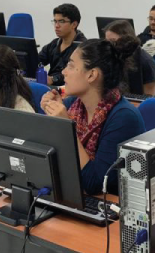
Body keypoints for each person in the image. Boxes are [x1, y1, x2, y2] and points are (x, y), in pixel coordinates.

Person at [40, 39, 146, 195]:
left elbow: (95, 184)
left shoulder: (124, 118)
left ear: (91, 75)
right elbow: (48, 159)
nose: (63, 72)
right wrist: (50, 116)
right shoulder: (72, 105)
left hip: (108, 202)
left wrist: (66, 128)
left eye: (71, 66)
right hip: (72, 192)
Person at [105, 19, 155, 97]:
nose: (109, 46)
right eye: (107, 42)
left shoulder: (146, 61)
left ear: (126, 40)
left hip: (143, 102)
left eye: (113, 41)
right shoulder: (117, 56)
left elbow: (149, 98)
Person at [38, 3, 86, 87]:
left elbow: (76, 73)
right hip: (51, 87)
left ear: (74, 24)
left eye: (61, 21)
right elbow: (37, 61)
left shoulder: (83, 47)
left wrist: (53, 79)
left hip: (70, 89)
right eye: (55, 21)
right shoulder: (54, 44)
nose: (56, 26)